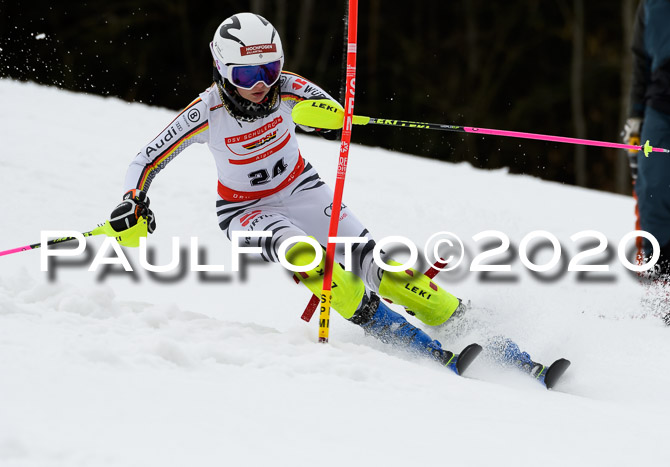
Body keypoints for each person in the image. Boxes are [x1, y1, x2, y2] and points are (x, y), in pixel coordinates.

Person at [106, 12, 555, 383]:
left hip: (303, 189)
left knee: (385, 270)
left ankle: (485, 335)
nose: (261, 84)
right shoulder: (207, 112)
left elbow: (332, 116)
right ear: (223, 72)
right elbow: (145, 159)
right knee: (315, 265)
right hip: (246, 211)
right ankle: (405, 339)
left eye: (268, 70)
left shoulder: (289, 88)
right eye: (246, 75)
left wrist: (337, 119)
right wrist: (133, 198)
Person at [622, 0, 670, 326]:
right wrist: (635, 115)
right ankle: (667, 292)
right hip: (661, 107)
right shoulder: (651, 5)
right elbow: (641, 61)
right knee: (653, 193)